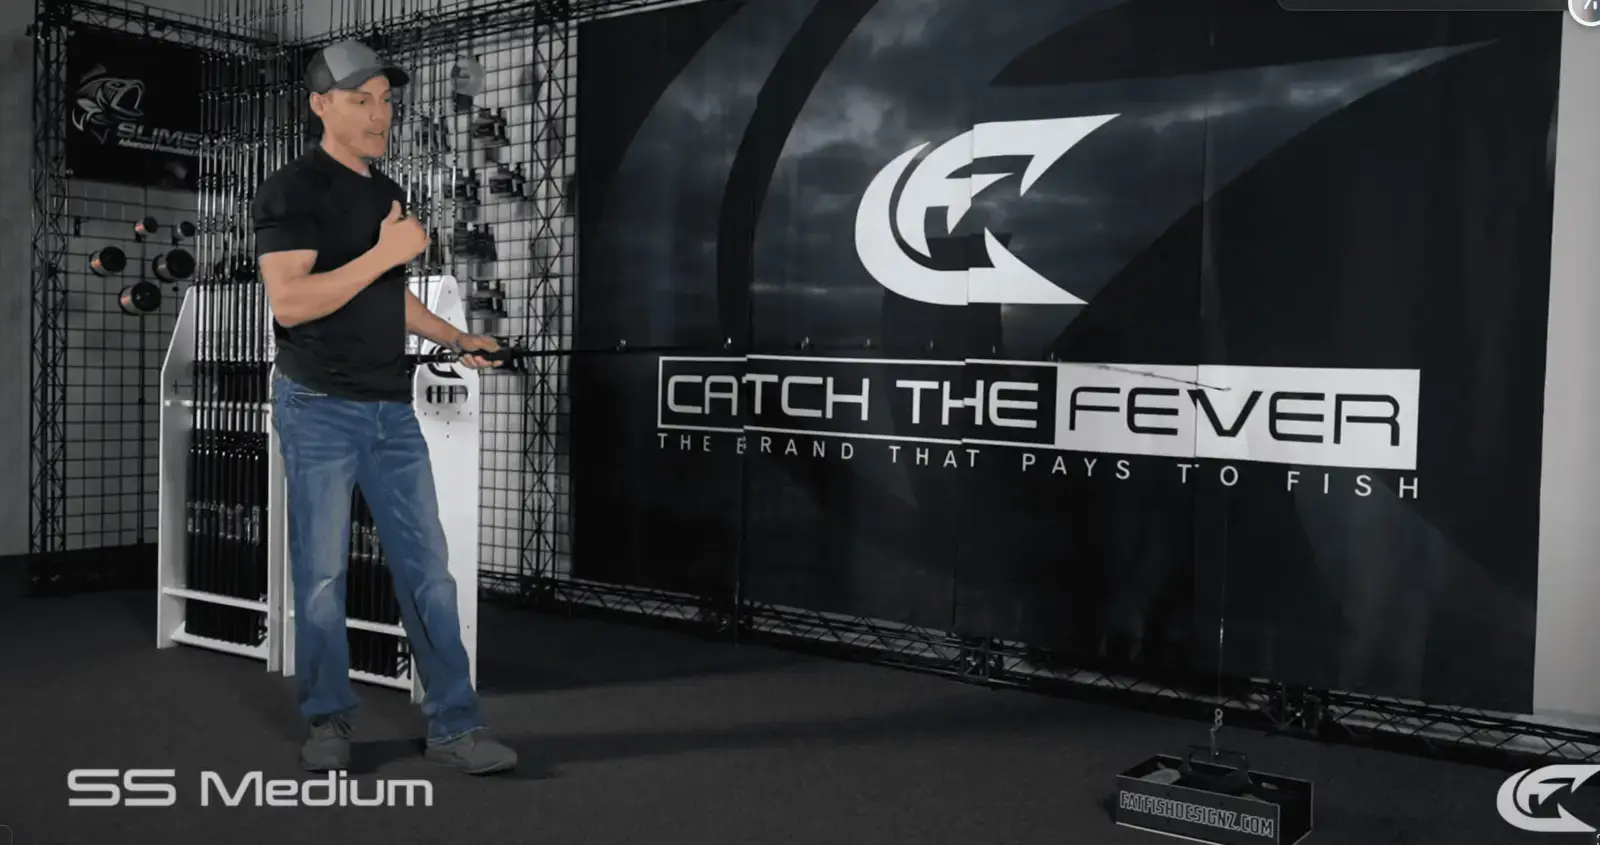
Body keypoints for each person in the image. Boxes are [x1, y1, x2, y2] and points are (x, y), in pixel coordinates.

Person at [249, 40, 517, 776]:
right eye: (360, 99)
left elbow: (385, 295)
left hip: (390, 410)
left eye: (386, 100)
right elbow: (291, 301)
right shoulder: (290, 190)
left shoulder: (384, 191)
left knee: (430, 574)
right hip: (317, 407)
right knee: (322, 577)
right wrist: (385, 250)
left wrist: (457, 336)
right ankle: (328, 720)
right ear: (320, 105)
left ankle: (456, 725)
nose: (379, 114)